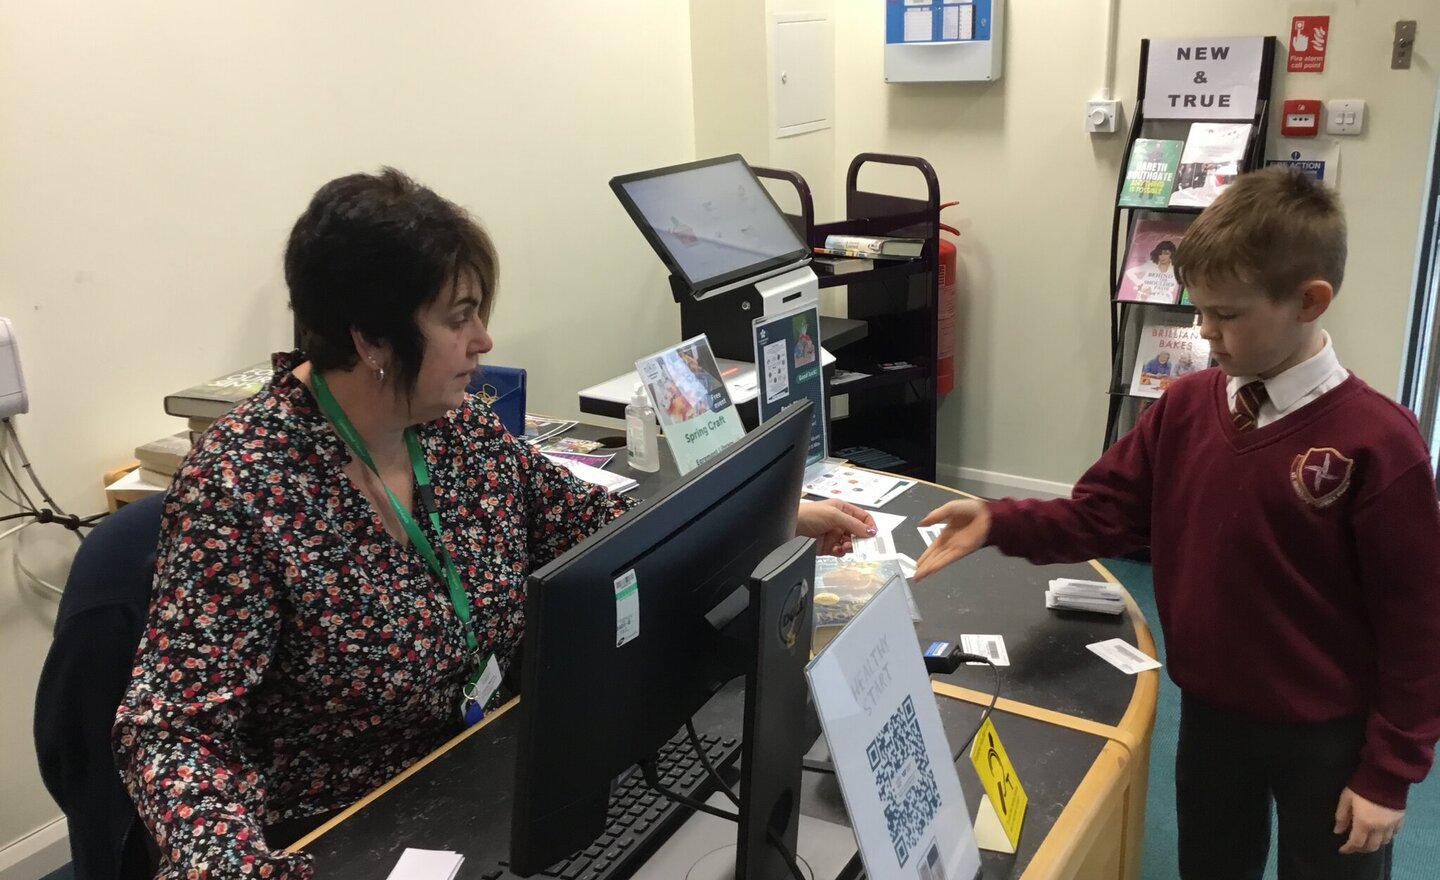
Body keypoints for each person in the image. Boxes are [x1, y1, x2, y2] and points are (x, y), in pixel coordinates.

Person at [113, 168, 876, 878]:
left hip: (494, 771)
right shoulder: (243, 488)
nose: (483, 341)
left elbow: (599, 522)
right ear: (371, 339)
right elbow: (172, 732)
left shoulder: (455, 429)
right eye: (459, 318)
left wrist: (774, 511)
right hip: (343, 827)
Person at [914, 167, 1440, 879]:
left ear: (1310, 301)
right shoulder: (1188, 406)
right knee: (1212, 866)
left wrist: (1389, 772)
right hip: (1215, 716)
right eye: (1199, 310)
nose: (1204, 331)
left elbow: (1418, 624)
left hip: (1329, 734)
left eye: (1226, 314)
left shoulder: (1379, 442)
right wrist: (1001, 520)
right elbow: (1104, 514)